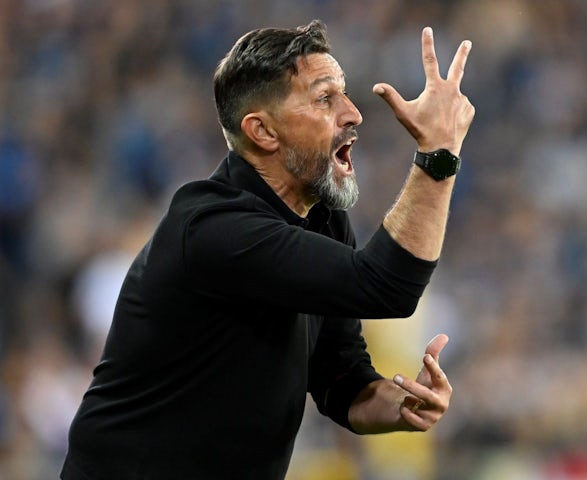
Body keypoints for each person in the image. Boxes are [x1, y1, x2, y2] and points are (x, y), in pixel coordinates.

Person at [61, 19, 474, 480]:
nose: (353, 112)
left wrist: (400, 405)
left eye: (344, 92)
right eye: (324, 98)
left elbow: (339, 379)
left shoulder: (323, 219)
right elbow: (386, 287)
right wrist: (438, 153)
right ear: (263, 131)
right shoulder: (213, 228)